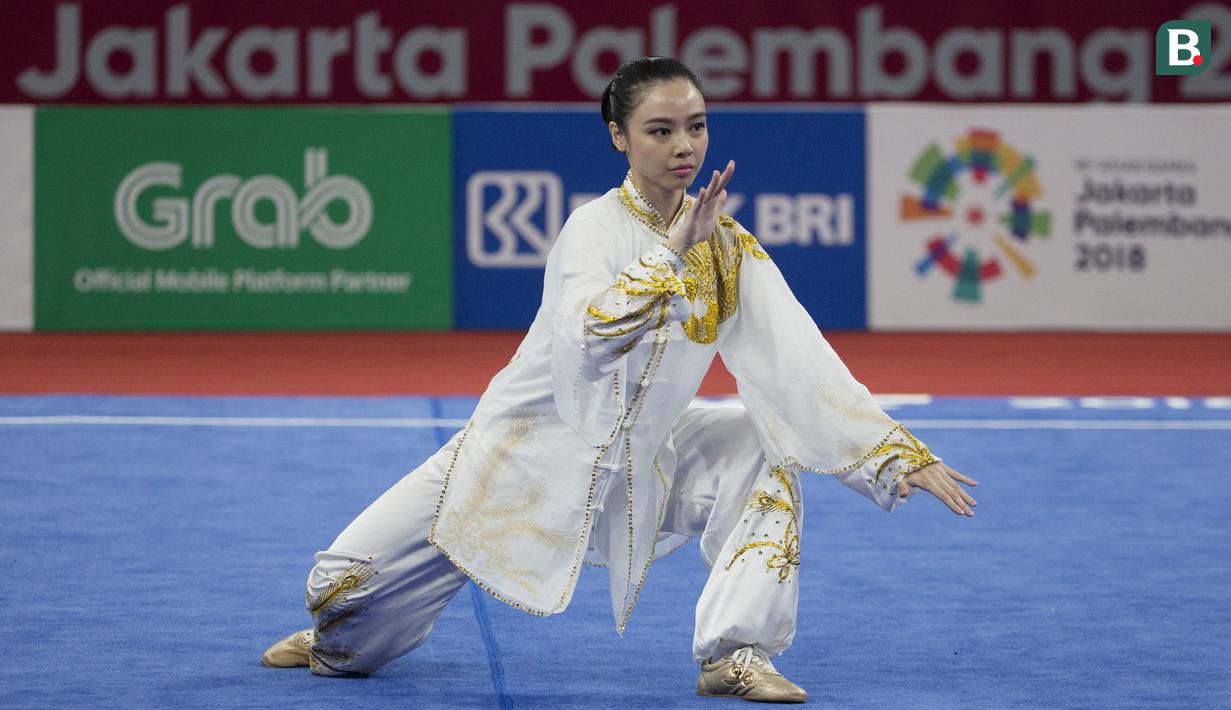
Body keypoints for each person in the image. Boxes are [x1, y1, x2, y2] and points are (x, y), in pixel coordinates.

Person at [261, 56, 978, 703]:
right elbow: (591, 334)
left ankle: (735, 654)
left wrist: (890, 454)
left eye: (695, 126)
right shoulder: (592, 229)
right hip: (522, 458)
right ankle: (336, 641)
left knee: (763, 445)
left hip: (644, 462)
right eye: (660, 131)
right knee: (345, 596)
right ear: (619, 138)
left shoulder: (728, 249)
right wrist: (670, 252)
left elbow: (799, 360)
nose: (683, 145)